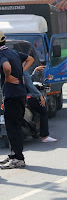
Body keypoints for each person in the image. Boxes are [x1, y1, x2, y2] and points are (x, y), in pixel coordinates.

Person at [0, 30, 34, 169]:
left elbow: (6, 66)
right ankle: (14, 154)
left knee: (12, 127)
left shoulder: (1, 54)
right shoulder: (12, 51)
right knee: (14, 127)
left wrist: (7, 77)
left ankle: (18, 158)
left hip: (12, 96)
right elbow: (30, 59)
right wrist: (21, 72)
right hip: (19, 94)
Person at [24, 66, 57, 143]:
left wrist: (35, 71)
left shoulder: (11, 69)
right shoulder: (22, 70)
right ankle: (45, 136)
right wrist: (39, 96)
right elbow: (30, 85)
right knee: (43, 111)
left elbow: (29, 79)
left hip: (15, 97)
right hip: (28, 96)